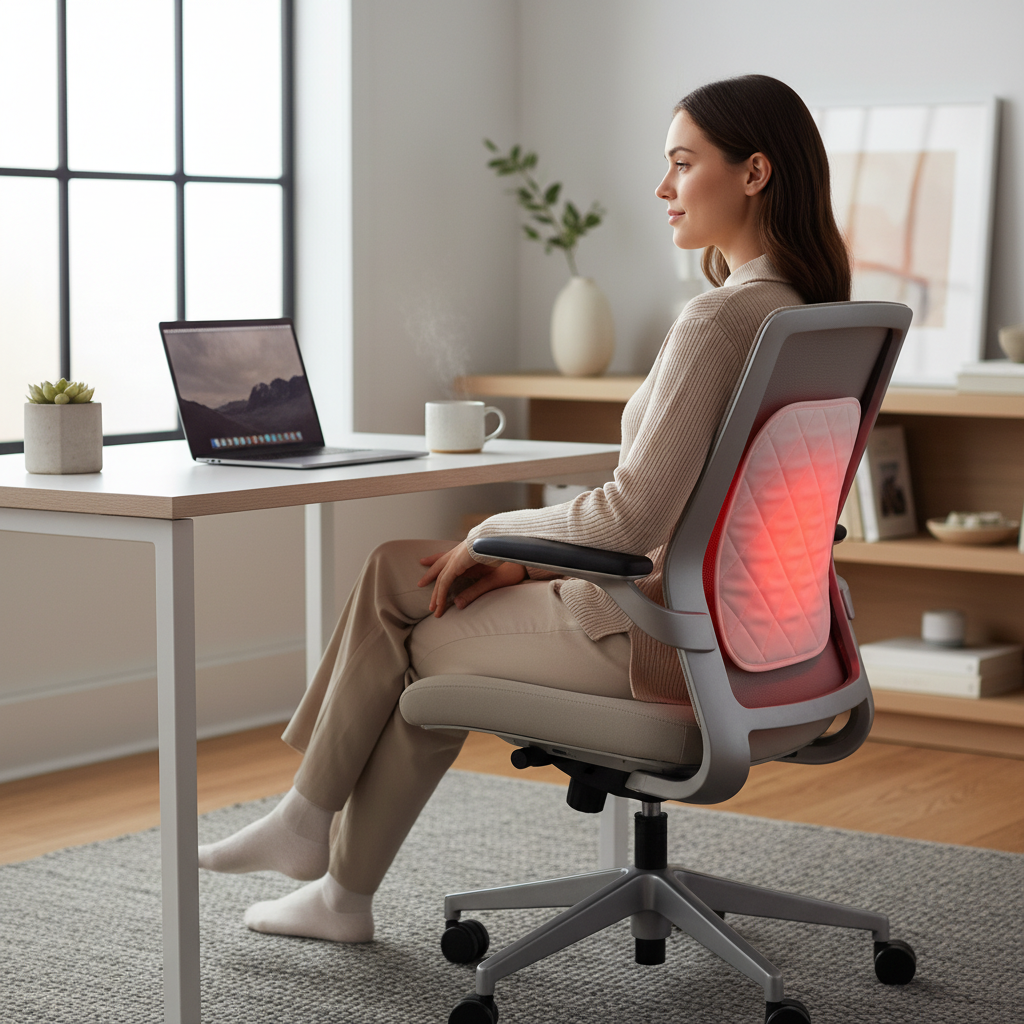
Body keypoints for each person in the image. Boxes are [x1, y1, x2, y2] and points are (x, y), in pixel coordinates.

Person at [197, 74, 851, 942]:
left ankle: (324, 860)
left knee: (415, 642)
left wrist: (492, 534)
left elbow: (629, 520)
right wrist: (517, 552)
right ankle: (316, 845)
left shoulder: (721, 322)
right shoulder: (809, 318)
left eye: (683, 164)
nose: (662, 189)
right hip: (767, 634)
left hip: (656, 638)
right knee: (402, 568)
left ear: (755, 172)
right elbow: (688, 511)